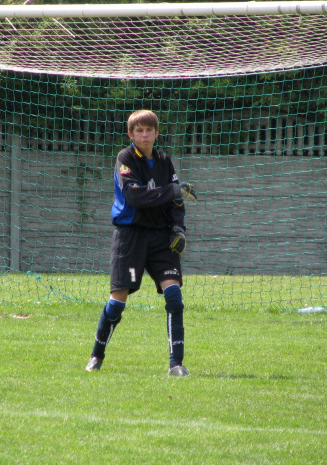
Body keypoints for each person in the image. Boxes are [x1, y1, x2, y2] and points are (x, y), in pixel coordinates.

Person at [85, 109, 197, 377]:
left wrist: (178, 229)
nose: (144, 135)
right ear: (131, 134)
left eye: (149, 130)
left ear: (157, 133)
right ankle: (96, 355)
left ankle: (176, 364)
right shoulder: (125, 158)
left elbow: (176, 202)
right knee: (118, 302)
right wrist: (172, 190)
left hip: (160, 237)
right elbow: (135, 198)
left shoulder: (164, 161)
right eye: (139, 131)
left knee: (174, 295)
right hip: (129, 236)